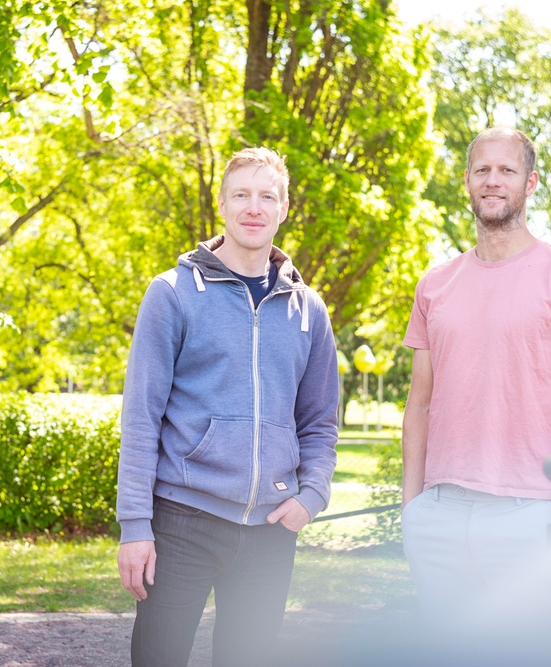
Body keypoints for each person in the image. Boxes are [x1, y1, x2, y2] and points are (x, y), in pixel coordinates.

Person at [115, 146, 340, 666]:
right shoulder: (173, 293)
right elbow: (141, 417)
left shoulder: (309, 310)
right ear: (222, 204)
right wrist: (135, 527)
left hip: (271, 530)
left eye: (267, 196)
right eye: (241, 194)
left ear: (285, 208)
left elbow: (320, 420)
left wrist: (313, 494)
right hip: (182, 520)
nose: (253, 207)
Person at [400, 127, 551, 618]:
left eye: (507, 170)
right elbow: (420, 404)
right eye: (482, 170)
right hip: (439, 514)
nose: (493, 181)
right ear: (467, 181)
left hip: (530, 515)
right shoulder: (434, 285)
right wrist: (413, 510)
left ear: (531, 182)